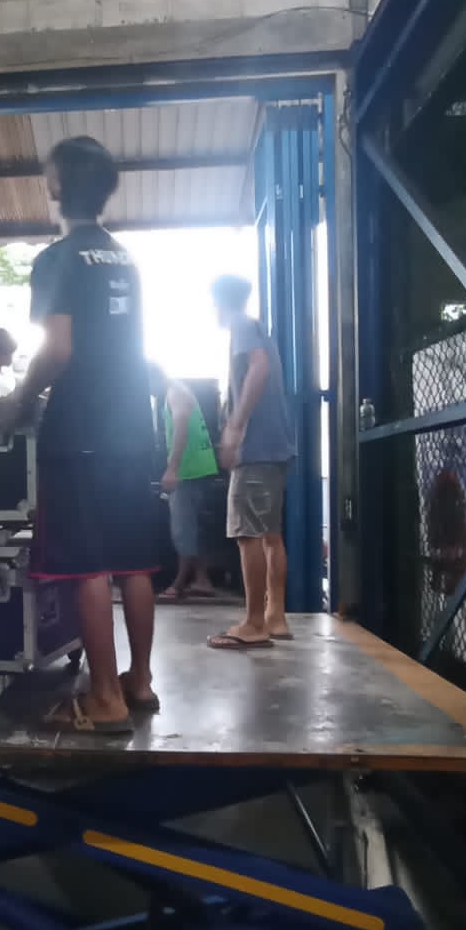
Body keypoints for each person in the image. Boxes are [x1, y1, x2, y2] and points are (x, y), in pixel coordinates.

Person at [0, 136, 158, 733]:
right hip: (133, 424)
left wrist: (19, 399)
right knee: (134, 562)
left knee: (89, 563)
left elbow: (57, 349)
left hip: (83, 425)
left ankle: (105, 700)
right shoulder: (124, 258)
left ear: (56, 186)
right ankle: (139, 682)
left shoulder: (58, 259)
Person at [209, 275, 295, 649]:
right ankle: (275, 616)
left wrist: (235, 426)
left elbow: (258, 368)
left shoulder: (242, 326)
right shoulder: (258, 328)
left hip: (256, 447)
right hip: (276, 446)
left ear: (218, 301)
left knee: (247, 534)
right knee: (270, 534)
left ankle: (254, 623)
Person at [148, 364, 219, 601]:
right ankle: (202, 580)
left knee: (182, 528)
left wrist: (173, 468)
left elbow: (180, 424)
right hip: (197, 467)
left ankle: (179, 583)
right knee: (193, 527)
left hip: (188, 469)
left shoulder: (174, 392)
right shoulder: (179, 389)